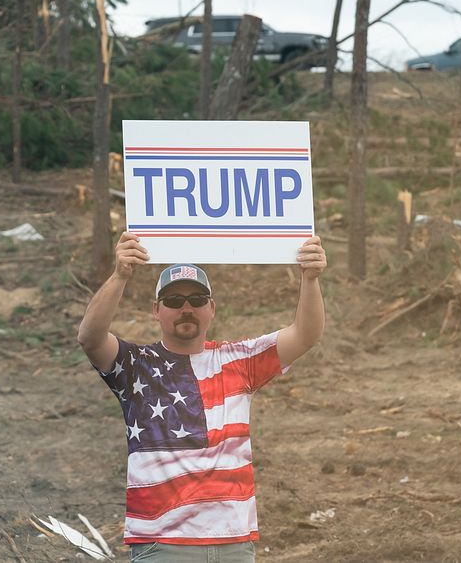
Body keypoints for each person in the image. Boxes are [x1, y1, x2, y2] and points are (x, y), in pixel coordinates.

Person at [77, 231, 327, 562]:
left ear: (211, 308)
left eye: (196, 301)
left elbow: (306, 334)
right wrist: (120, 274)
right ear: (156, 310)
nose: (186, 308)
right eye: (174, 301)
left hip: (233, 542)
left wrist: (309, 280)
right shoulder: (135, 365)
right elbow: (90, 338)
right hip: (162, 543)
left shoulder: (240, 360)